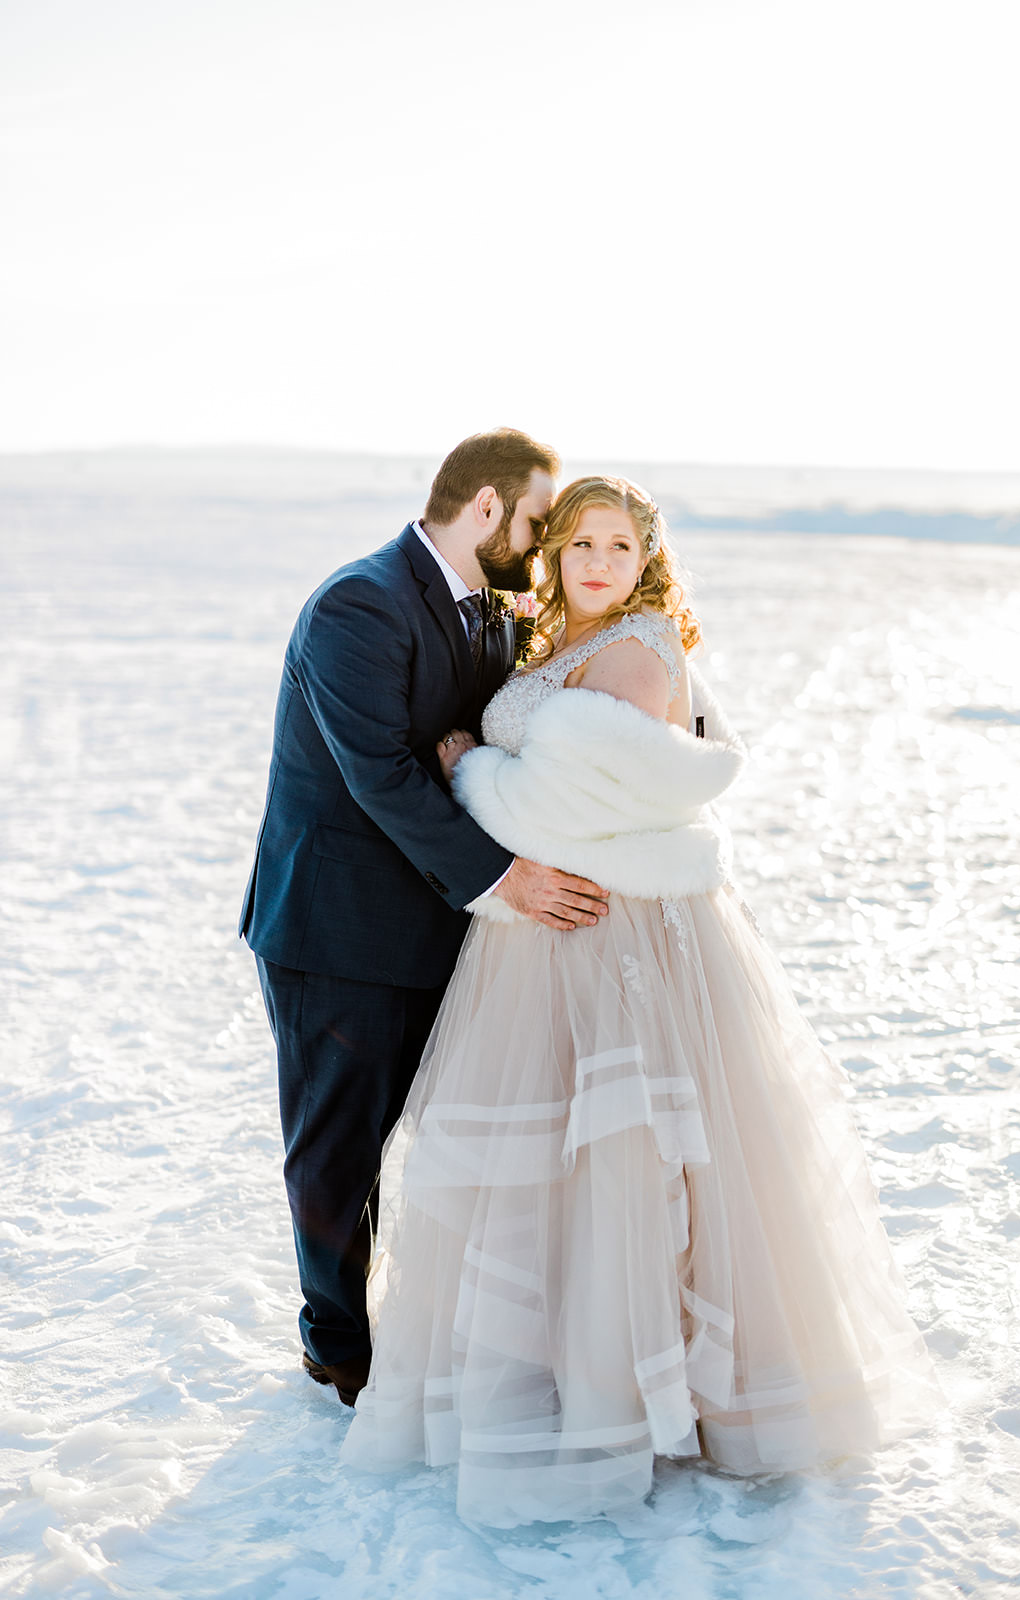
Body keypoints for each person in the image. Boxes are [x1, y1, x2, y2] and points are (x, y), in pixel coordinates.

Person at [340, 474, 939, 1526]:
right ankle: (564, 1371)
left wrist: (473, 768)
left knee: (628, 1159)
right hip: (547, 931)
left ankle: (636, 1396)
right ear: (555, 554)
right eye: (580, 544)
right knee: (554, 1167)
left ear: (645, 558)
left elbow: (576, 803)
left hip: (610, 929)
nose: (599, 564)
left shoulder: (637, 647)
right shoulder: (553, 644)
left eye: (619, 546)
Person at [239, 430, 611, 1408]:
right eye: (536, 521)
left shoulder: (488, 609)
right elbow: (381, 777)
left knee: (435, 1134)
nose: (541, 547)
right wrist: (508, 879)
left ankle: (425, 1320)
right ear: (485, 508)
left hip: (438, 925)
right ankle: (337, 1345)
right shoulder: (357, 604)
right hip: (338, 929)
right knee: (338, 1143)